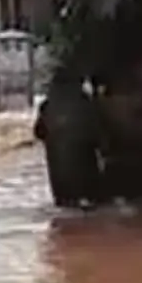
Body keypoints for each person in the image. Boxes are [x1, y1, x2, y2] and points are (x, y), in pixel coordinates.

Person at [34, 69, 104, 208]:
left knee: (63, 206)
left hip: (58, 174)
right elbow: (97, 132)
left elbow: (39, 132)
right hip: (84, 171)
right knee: (90, 204)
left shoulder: (47, 106)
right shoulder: (84, 103)